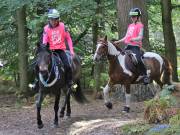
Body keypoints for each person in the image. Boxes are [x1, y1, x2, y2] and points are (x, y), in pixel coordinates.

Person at [30, 8, 74, 91]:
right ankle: (36, 82)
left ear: (58, 19)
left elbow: (68, 39)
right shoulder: (46, 28)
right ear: (49, 19)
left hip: (60, 50)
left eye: (55, 19)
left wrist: (71, 50)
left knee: (67, 65)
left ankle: (70, 82)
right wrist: (43, 48)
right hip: (49, 51)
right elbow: (45, 41)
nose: (53, 21)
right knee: (36, 65)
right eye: (52, 20)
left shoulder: (63, 26)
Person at [114, 8, 149, 84]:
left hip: (136, 46)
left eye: (134, 16)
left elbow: (140, 37)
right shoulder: (130, 26)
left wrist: (133, 39)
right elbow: (126, 37)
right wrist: (118, 41)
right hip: (128, 46)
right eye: (131, 16)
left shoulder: (140, 25)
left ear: (138, 17)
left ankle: (145, 75)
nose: (132, 18)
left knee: (138, 60)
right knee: (120, 57)